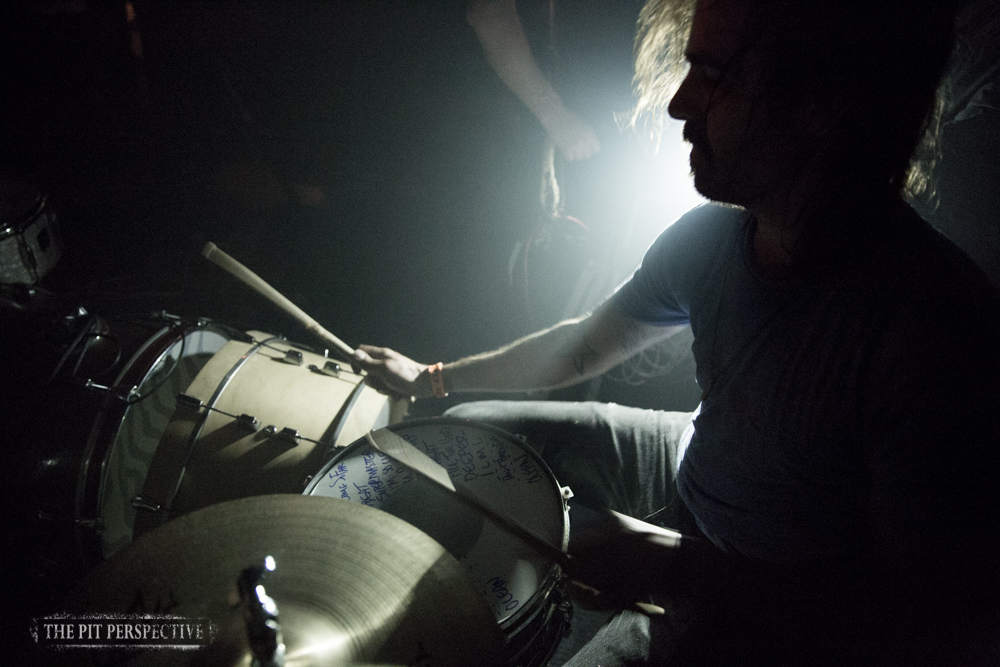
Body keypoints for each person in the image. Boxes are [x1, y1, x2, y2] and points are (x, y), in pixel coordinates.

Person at [355, 0, 1000, 663]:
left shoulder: (930, 329)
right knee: (471, 428)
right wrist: (430, 377)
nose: (677, 104)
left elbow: (928, 621)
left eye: (712, 74)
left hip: (768, 609)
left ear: (819, 103)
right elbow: (582, 345)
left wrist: (682, 566)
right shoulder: (715, 235)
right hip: (693, 458)